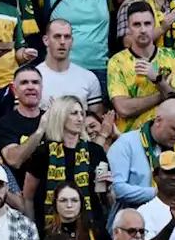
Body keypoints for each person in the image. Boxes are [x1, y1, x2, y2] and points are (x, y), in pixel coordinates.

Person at [22, 96, 111, 231]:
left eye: (82, 113)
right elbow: (28, 196)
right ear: (61, 116)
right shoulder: (43, 152)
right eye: (74, 113)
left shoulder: (95, 151)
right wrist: (31, 229)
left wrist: (109, 188)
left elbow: (104, 197)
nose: (80, 119)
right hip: (50, 229)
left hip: (90, 227)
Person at [108, 97, 175, 209]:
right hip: (137, 218)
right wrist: (160, 195)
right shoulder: (126, 144)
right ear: (158, 121)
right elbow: (117, 188)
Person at [108, 2, 175, 132]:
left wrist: (157, 79)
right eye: (136, 25)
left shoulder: (173, 57)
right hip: (131, 136)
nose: (143, 30)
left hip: (167, 133)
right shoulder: (116, 62)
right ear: (128, 28)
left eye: (147, 23)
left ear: (154, 25)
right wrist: (162, 93)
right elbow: (123, 109)